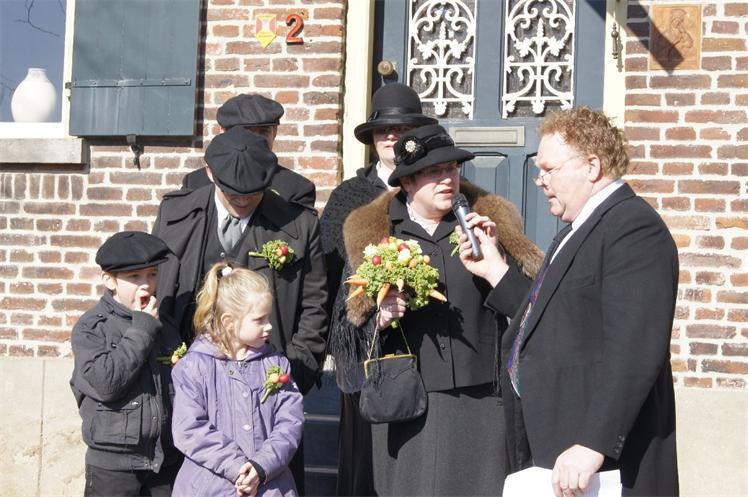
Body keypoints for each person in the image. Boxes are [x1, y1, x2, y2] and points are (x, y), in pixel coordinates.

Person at [329, 124, 544, 496]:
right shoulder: (375, 236)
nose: (448, 179)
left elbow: (530, 312)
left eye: (452, 168)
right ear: (407, 181)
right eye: (434, 171)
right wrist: (380, 319)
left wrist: (496, 265)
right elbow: (345, 334)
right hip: (406, 404)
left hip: (482, 403)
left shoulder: (484, 228)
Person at [501, 107, 679, 497]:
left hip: (599, 463)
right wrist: (495, 272)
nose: (539, 181)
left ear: (592, 166)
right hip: (557, 444)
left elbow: (635, 348)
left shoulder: (632, 228)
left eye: (549, 170)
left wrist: (593, 443)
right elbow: (553, 319)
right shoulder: (576, 230)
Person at [153, 126, 328, 492]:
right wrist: (176, 367)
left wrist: (292, 372)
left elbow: (315, 306)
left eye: (253, 192)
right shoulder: (175, 214)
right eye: (233, 192)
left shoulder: (299, 224)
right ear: (210, 173)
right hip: (197, 387)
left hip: (267, 391)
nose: (243, 200)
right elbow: (162, 293)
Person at [319, 82, 435, 496]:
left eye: (403, 129)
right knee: (365, 466)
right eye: (384, 130)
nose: (392, 137)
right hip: (365, 346)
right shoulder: (349, 196)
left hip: (427, 346)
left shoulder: (436, 188)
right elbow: (327, 274)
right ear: (372, 139)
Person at [171, 262, 303, 497]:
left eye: (268, 317)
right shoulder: (194, 366)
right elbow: (189, 428)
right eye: (259, 319)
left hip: (269, 487)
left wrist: (261, 467)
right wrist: (237, 468)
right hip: (211, 488)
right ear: (228, 321)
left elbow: (290, 422)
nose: (269, 326)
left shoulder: (276, 364)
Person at [70, 231, 182, 497]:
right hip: (114, 467)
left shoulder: (167, 326)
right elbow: (106, 384)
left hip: (164, 463)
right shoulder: (92, 328)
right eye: (134, 277)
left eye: (152, 274)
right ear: (109, 280)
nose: (146, 285)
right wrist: (142, 329)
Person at [182, 93, 316, 211]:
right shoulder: (196, 183)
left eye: (263, 132)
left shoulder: (296, 189)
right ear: (223, 132)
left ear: (274, 133)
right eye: (244, 132)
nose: (254, 141)